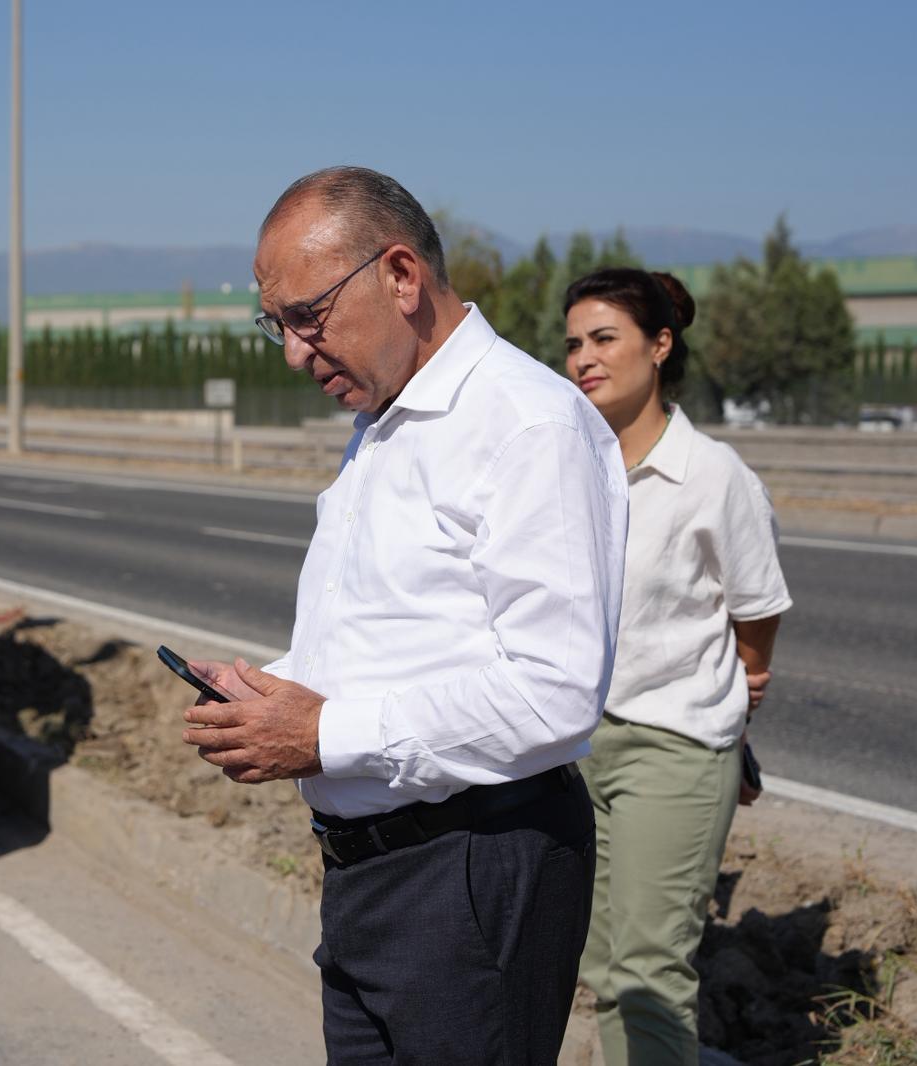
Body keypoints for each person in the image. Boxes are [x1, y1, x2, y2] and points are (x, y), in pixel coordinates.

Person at [183, 166, 629, 1064]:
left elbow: (553, 694)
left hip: (470, 867)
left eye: (308, 317)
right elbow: (402, 635)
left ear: (399, 275)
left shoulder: (526, 425)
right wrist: (271, 696)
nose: (294, 353)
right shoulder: (386, 424)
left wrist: (323, 734)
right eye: (276, 326)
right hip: (374, 875)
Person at [562, 268, 791, 1065]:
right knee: (600, 965)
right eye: (573, 344)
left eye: (604, 339)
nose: (584, 359)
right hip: (583, 746)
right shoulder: (574, 469)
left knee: (648, 973)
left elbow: (757, 608)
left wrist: (737, 697)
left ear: (660, 345)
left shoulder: (714, 475)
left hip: (674, 746)